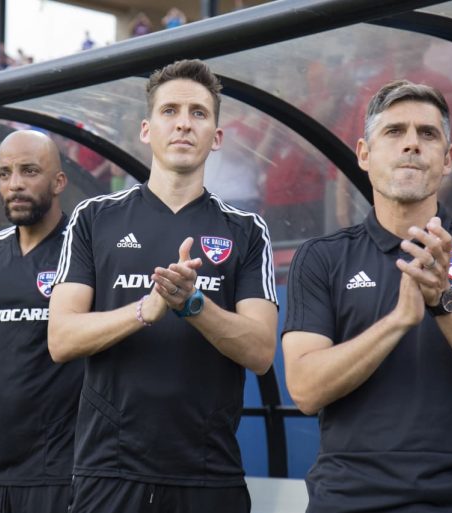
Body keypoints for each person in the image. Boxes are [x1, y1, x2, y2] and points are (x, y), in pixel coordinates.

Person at [282, 80, 452, 512]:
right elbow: (306, 390)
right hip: (347, 501)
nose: (411, 145)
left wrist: (444, 300)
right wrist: (397, 321)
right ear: (364, 155)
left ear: (448, 158)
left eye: (427, 134)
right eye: (394, 132)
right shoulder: (322, 257)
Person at [48, 59, 278, 513]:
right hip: (110, 472)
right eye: (170, 111)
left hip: (209, 475)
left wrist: (192, 305)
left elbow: (261, 351)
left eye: (198, 113)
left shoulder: (247, 230)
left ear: (216, 137)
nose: (183, 124)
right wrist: (144, 310)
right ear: (146, 130)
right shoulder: (94, 218)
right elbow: (61, 337)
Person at [0, 130, 83, 512]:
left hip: (61, 472)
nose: (15, 184)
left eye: (29, 171)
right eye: (4, 174)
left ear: (59, 182)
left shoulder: (83, 249)